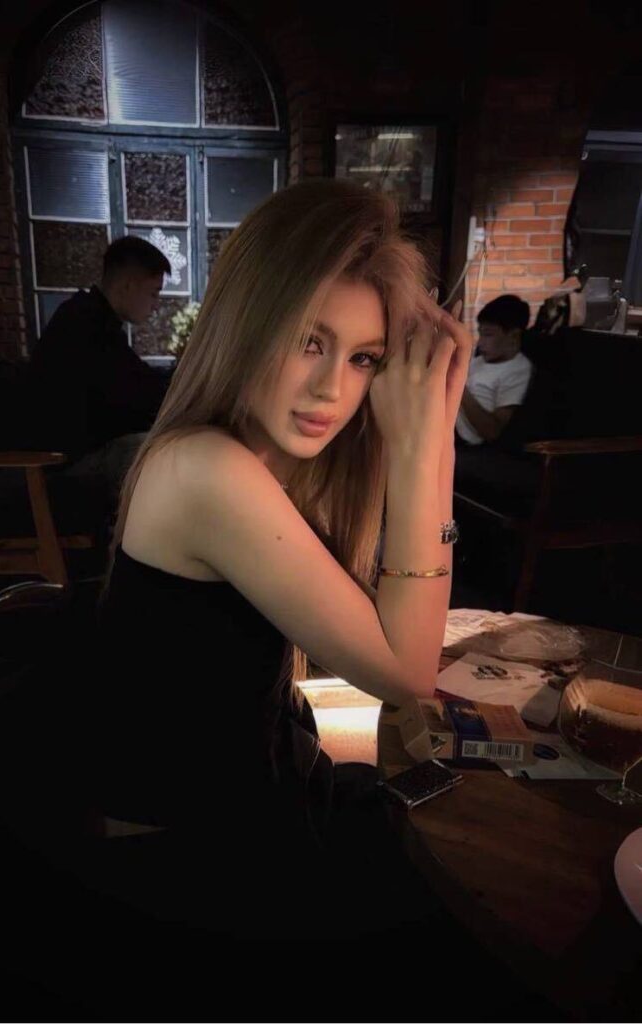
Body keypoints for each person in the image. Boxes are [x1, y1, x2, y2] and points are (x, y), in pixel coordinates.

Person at [87, 176, 476, 946]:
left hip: (254, 787)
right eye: (308, 341)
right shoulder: (204, 469)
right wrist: (421, 443)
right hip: (179, 858)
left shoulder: (260, 455)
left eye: (363, 358)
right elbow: (405, 673)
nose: (331, 389)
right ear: (246, 322)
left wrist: (433, 425)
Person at [29, 235, 172, 503]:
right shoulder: (87, 325)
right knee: (165, 453)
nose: (156, 305)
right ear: (128, 285)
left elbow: (135, 381)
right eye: (154, 293)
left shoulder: (89, 318)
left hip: (72, 457)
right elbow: (133, 394)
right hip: (62, 466)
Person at [455, 294, 533, 446]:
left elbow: (492, 431)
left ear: (513, 336)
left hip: (465, 443)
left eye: (488, 335)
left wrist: (458, 385)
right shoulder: (479, 361)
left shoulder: (518, 370)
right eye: (480, 334)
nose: (480, 343)